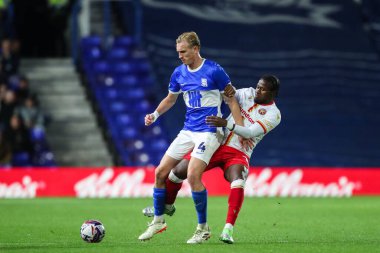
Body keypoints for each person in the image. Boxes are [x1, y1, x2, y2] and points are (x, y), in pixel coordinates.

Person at [142, 74, 281, 244]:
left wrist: (226, 123)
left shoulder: (274, 115)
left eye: (262, 89)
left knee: (238, 181)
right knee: (177, 172)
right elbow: (228, 96)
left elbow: (251, 133)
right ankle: (167, 206)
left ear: (272, 93)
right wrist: (226, 89)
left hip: (238, 152)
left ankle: (228, 229)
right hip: (217, 143)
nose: (257, 90)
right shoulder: (247, 93)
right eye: (258, 86)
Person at [138, 31, 243, 243]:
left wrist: (240, 130)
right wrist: (155, 114)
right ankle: (158, 222)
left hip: (209, 130)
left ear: (196, 49)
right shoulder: (178, 73)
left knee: (194, 175)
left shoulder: (214, 70)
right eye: (178, 52)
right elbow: (170, 99)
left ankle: (203, 229)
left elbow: (231, 100)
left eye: (183, 51)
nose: (180, 55)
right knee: (160, 172)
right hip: (188, 130)